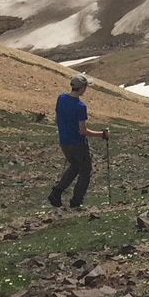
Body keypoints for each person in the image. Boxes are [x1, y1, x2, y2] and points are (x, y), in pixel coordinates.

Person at [49, 73, 108, 208]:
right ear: (82, 88)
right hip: (77, 143)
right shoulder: (81, 106)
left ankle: (56, 193)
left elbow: (57, 120)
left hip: (64, 141)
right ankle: (76, 201)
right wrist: (102, 134)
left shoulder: (61, 98)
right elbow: (83, 130)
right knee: (85, 172)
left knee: (74, 166)